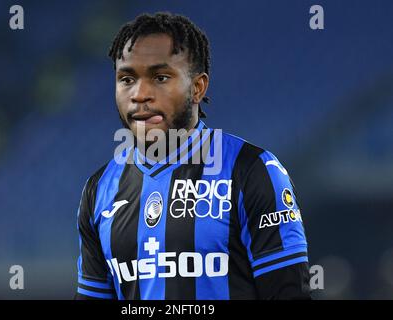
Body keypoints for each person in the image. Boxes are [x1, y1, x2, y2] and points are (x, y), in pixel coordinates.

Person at [75, 12, 310, 300]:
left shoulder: (252, 172)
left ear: (197, 87)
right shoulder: (99, 190)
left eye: (160, 77)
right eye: (127, 79)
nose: (140, 94)